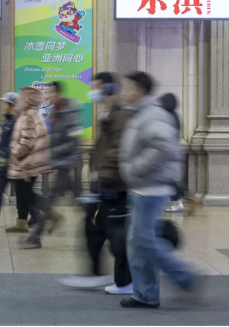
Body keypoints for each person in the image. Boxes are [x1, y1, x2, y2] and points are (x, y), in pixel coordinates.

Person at [119, 72, 196, 309]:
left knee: (143, 241)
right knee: (137, 243)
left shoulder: (152, 114)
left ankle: (183, 274)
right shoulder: (141, 113)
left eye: (128, 88)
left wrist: (136, 168)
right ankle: (145, 294)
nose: (124, 92)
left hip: (150, 189)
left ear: (140, 91)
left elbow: (162, 145)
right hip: (142, 188)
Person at [60, 72, 133, 295]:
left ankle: (125, 280)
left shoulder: (120, 116)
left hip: (114, 187)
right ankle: (98, 274)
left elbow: (116, 152)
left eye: (97, 88)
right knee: (94, 228)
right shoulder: (109, 114)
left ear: (109, 89)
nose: (94, 93)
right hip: (103, 186)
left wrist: (104, 179)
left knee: (113, 233)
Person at [22, 81, 81, 248]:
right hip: (62, 163)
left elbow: (73, 141)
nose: (49, 96)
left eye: (52, 93)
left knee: (50, 200)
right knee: (79, 201)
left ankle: (35, 237)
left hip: (68, 163)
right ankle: (101, 227)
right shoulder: (57, 111)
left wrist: (51, 152)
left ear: (59, 94)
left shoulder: (70, 113)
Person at [0, 93, 39, 230]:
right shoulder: (7, 122)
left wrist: (4, 156)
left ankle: (36, 216)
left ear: (12, 106)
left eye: (6, 104)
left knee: (23, 193)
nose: (4, 106)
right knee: (2, 191)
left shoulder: (16, 123)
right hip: (5, 163)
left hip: (11, 164)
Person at [7, 87, 49, 245]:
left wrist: (15, 152)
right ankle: (21, 222)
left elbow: (28, 140)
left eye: (22, 97)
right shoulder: (28, 114)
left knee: (27, 194)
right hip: (27, 162)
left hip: (27, 162)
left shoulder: (29, 116)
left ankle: (51, 213)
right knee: (22, 192)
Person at [160, 93, 200, 216]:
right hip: (173, 152)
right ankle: (188, 197)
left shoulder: (166, 117)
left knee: (168, 180)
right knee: (169, 180)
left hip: (165, 153)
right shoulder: (174, 116)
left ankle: (183, 199)